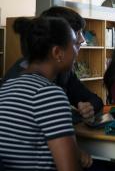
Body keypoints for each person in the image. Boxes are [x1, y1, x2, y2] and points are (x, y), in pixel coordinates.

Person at [0, 17, 92, 170]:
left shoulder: (7, 87)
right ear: (57, 53)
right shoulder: (49, 94)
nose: (77, 50)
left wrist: (76, 152)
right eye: (74, 44)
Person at [3, 6, 103, 123]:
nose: (81, 40)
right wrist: (74, 115)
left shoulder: (62, 72)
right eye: (76, 33)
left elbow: (95, 100)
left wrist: (89, 107)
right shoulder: (41, 90)